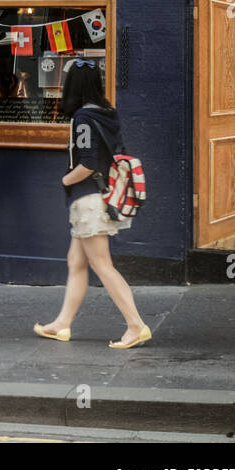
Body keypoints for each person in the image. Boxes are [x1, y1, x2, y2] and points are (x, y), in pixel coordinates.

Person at [34, 60, 150, 348]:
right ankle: (62, 324)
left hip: (87, 200)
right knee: (76, 262)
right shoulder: (107, 113)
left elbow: (87, 163)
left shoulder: (83, 118)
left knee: (102, 265)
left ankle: (136, 325)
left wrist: (64, 181)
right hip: (99, 196)